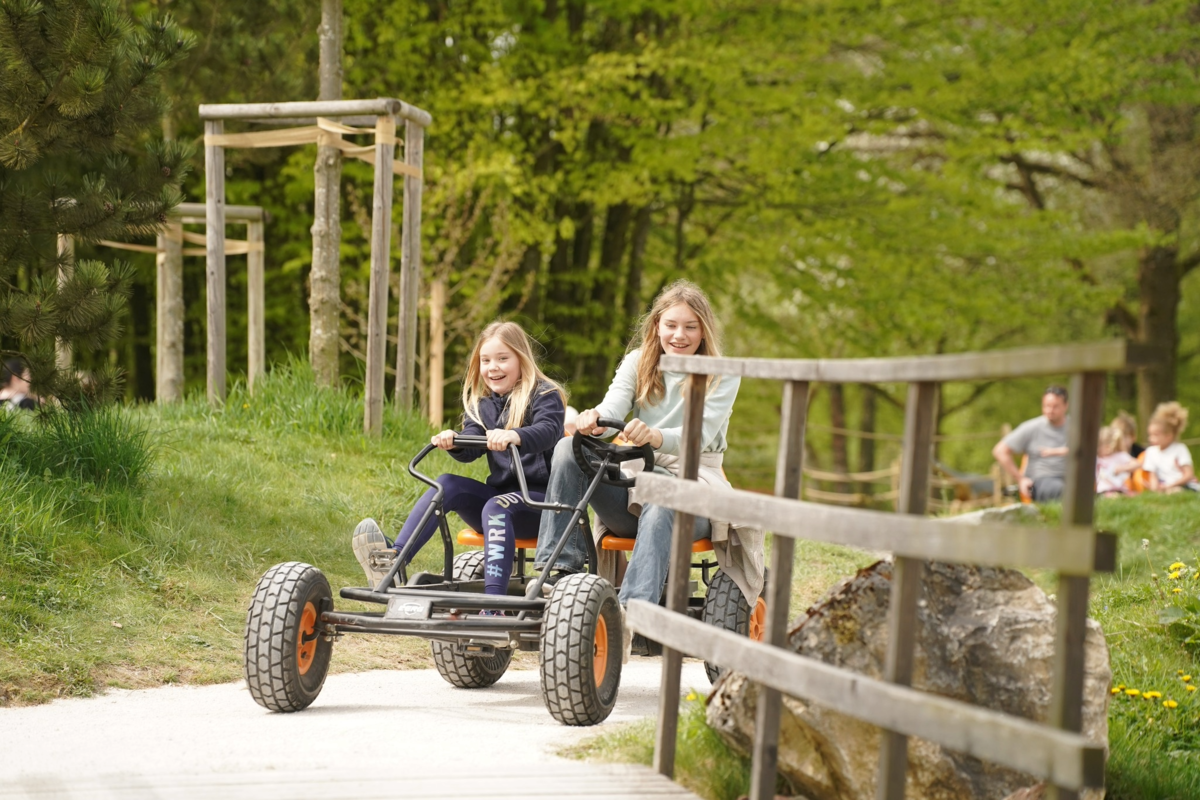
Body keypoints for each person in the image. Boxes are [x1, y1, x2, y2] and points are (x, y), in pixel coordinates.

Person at [534, 280, 762, 632]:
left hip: (692, 485)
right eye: (671, 325)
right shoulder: (638, 361)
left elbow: (698, 435)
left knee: (661, 497)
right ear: (657, 325)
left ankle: (629, 614)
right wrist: (593, 421)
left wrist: (655, 436)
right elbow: (612, 408)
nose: (679, 335)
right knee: (568, 448)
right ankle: (558, 572)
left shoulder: (721, 373)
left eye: (690, 326)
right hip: (636, 480)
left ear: (704, 330)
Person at [352, 321, 566, 601]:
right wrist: (454, 440)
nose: (493, 367)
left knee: (496, 505)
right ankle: (396, 558)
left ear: (521, 359)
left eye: (503, 359)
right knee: (446, 484)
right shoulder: (484, 404)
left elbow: (548, 431)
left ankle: (493, 605)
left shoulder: (545, 395)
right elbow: (471, 444)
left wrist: (514, 435)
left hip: (540, 505)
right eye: (486, 360)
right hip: (501, 503)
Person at [992, 386, 1069, 502]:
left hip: (1072, 478)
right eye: (1046, 406)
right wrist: (1020, 479)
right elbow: (999, 451)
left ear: (1065, 406)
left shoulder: (1077, 426)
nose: (1050, 410)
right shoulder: (1031, 427)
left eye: (1055, 406)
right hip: (1041, 481)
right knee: (1064, 491)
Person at [1141, 401, 1199, 493]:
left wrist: (1170, 486)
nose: (1151, 439)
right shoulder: (1150, 452)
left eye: (1155, 435)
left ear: (1168, 436)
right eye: (1150, 435)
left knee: (1176, 491)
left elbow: (1189, 474)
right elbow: (1153, 476)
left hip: (1183, 485)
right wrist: (1155, 490)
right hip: (1165, 487)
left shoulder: (1180, 449)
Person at [1095, 425, 1137, 496]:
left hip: (1121, 488)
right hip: (1104, 490)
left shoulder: (1119, 456)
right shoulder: (1098, 459)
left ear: (1108, 446)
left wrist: (1122, 468)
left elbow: (1137, 463)